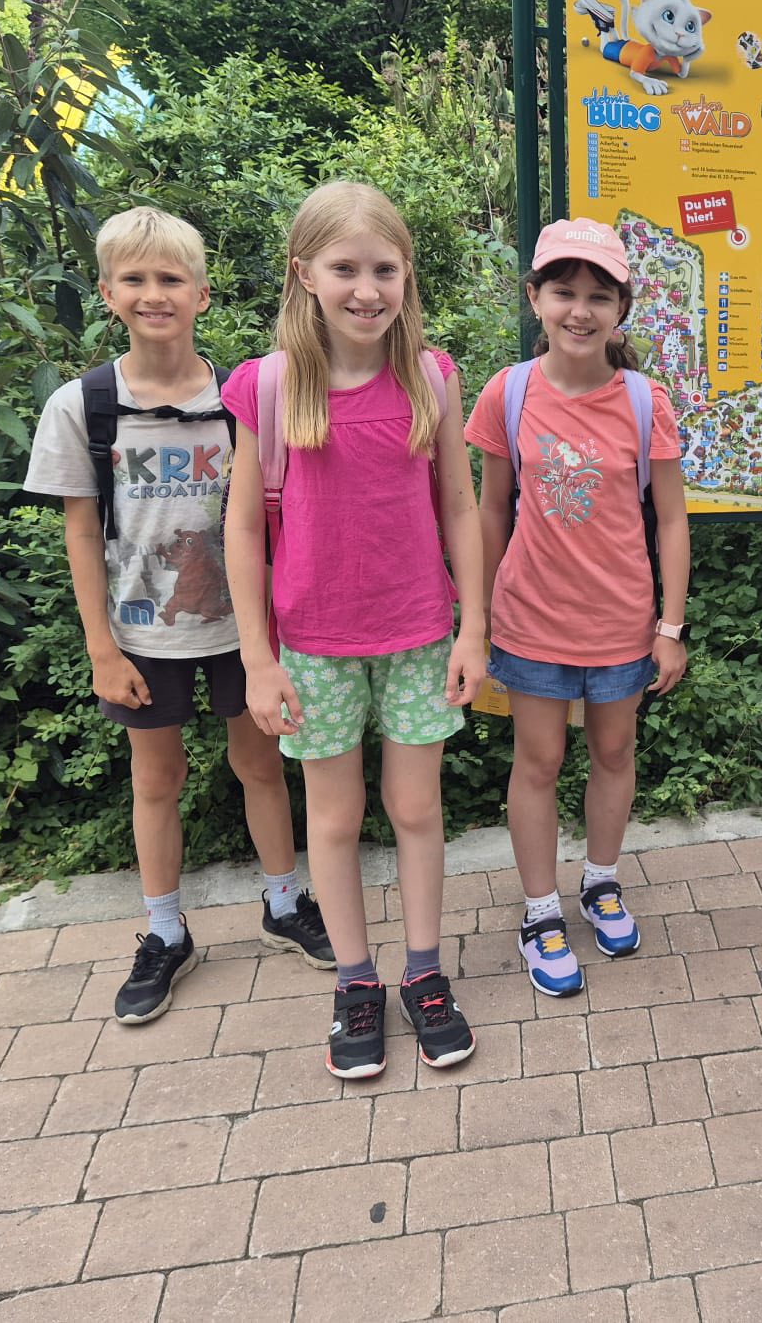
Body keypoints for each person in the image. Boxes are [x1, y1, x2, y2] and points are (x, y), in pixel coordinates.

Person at [24, 207, 331, 1025]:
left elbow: (276, 515)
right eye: (135, 279)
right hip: (141, 630)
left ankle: (283, 903)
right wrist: (100, 648)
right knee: (156, 779)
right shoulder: (84, 406)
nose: (153, 294)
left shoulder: (242, 400)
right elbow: (81, 532)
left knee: (261, 764)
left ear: (202, 293)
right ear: (107, 293)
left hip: (244, 628)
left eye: (170, 278)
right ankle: (165, 932)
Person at [222, 181, 487, 1078]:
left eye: (384, 269)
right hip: (313, 645)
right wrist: (257, 660)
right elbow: (243, 530)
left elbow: (460, 506)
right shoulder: (267, 387)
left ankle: (425, 973)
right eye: (345, 269)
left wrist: (474, 628)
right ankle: (356, 981)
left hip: (420, 635)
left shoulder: (432, 378)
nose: (367, 290)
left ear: (408, 274)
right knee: (333, 822)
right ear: (304, 274)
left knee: (416, 809)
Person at [468, 218, 690, 998]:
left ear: (621, 309)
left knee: (615, 754)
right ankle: (539, 913)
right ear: (536, 298)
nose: (580, 310)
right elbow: (490, 510)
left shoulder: (644, 401)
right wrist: (477, 619)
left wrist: (670, 627)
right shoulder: (508, 392)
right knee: (538, 762)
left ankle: (601, 881)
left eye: (599, 296)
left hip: (622, 622)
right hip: (531, 620)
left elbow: (671, 520)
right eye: (564, 292)